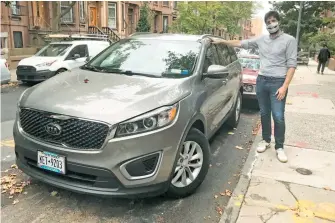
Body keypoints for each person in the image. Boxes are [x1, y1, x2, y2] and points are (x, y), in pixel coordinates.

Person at [211, 11, 297, 163]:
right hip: (262, 80)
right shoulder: (262, 39)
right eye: (268, 22)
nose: (271, 24)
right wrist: (221, 42)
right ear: (266, 25)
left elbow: (291, 65)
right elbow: (241, 43)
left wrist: (284, 86)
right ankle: (265, 140)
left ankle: (279, 147)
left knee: (278, 116)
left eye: (273, 20)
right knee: (264, 113)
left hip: (278, 82)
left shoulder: (289, 40)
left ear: (278, 22)